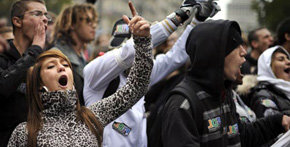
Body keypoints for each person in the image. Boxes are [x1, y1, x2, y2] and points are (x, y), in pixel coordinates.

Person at [7, 5, 153, 146]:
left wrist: (142, 40)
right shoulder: (24, 133)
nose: (61, 68)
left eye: (65, 65)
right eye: (51, 66)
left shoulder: (91, 117)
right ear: (38, 83)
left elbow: (136, 87)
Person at [83, 1, 220, 147]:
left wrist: (197, 21)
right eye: (116, 46)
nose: (115, 51)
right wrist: (179, 15)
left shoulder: (142, 74)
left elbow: (175, 57)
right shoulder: (95, 73)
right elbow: (128, 52)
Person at [160, 19, 290, 147]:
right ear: (216, 54)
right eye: (235, 46)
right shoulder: (183, 104)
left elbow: (241, 136)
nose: (244, 52)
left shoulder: (223, 93)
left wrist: (278, 121)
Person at [0, 0, 48, 146]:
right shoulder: (2, 56)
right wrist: (35, 50)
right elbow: (2, 88)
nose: (45, 19)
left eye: (46, 15)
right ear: (17, 21)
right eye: (37, 14)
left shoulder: (46, 61)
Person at [244, 47, 290, 118]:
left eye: (288, 58)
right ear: (269, 67)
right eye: (281, 59)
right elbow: (274, 124)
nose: (288, 62)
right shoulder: (263, 95)